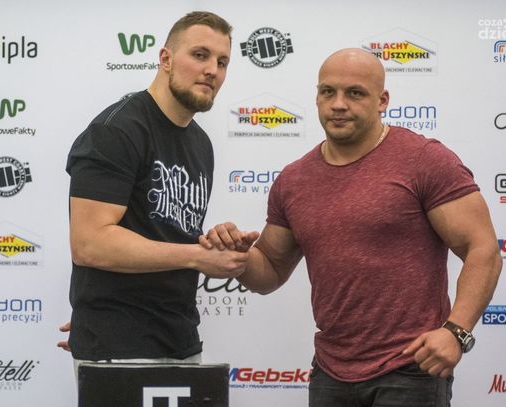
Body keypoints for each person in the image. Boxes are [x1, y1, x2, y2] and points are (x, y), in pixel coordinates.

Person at [201, 48, 502, 406]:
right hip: (330, 372)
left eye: (355, 93)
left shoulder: (424, 160)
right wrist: (237, 257)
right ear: (317, 97)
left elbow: (483, 249)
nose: (338, 104)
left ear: (382, 100)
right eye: (328, 92)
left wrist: (456, 331)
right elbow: (269, 269)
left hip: (410, 368)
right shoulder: (294, 180)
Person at [60, 11, 251, 374]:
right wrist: (197, 256)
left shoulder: (200, 143)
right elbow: (89, 243)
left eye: (222, 62)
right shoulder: (116, 130)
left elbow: (166, 231)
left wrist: (215, 244)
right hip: (118, 345)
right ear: (165, 59)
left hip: (181, 340)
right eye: (200, 55)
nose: (212, 70)